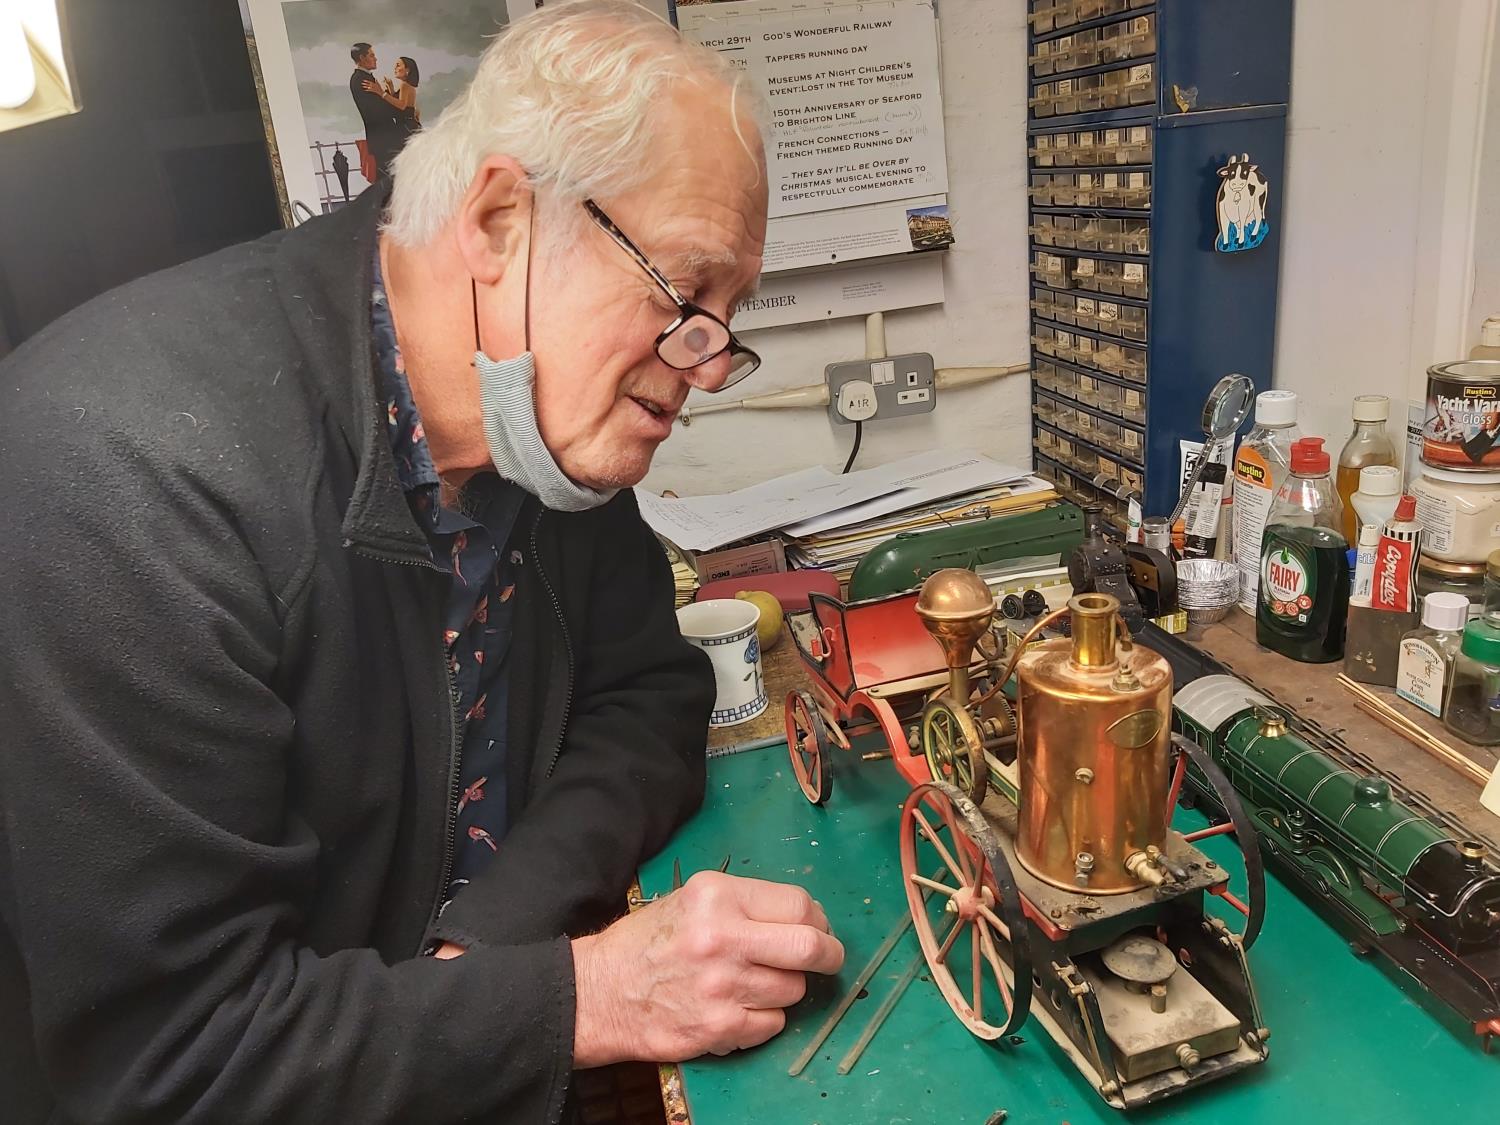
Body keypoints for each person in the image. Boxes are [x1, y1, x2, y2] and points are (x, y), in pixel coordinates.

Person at [0, 3, 841, 1123]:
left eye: (729, 319)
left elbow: (649, 694)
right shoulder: (121, 473)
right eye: (684, 295)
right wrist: (584, 996)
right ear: (498, 220)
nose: (703, 362)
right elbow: (177, 1064)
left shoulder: (543, 440)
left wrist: (490, 948)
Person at [349, 40, 402, 180]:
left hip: (383, 138)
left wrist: (386, 94)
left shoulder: (364, 78)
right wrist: (395, 102)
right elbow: (378, 111)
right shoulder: (361, 80)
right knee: (388, 181)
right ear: (362, 58)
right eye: (372, 55)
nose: (375, 58)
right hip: (384, 139)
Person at [373, 54, 422, 140]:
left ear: (407, 70)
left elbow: (402, 105)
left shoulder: (404, 85)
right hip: (409, 125)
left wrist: (381, 93)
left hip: (406, 127)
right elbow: (402, 103)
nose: (395, 68)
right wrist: (391, 88)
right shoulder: (407, 85)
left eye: (398, 65)